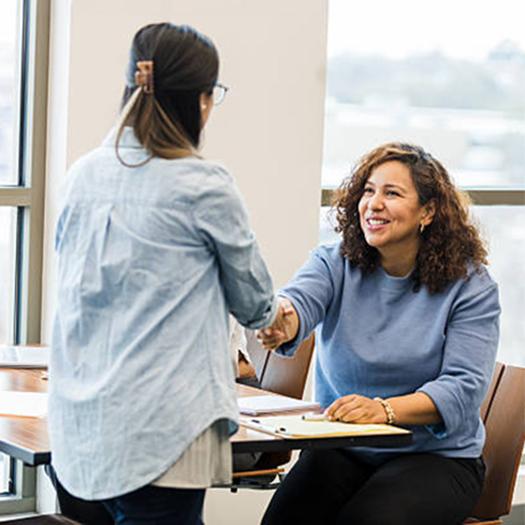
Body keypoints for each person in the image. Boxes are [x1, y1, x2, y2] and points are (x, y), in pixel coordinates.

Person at [49, 22, 287, 525]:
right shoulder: (203, 185)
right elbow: (255, 303)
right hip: (164, 434)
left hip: (79, 429)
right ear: (199, 101)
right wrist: (276, 316)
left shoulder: (82, 176)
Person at [258, 142, 501, 525]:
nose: (374, 203)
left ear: (428, 211)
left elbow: (464, 387)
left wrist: (384, 409)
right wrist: (280, 320)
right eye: (368, 190)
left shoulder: (470, 285)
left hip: (435, 459)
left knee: (368, 520)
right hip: (345, 447)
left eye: (392, 193)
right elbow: (297, 304)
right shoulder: (333, 261)